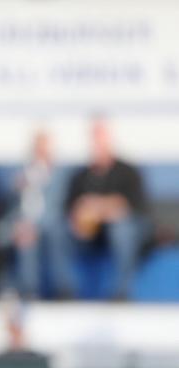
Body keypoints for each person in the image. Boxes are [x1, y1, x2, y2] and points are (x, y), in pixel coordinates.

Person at [58, 118, 148, 299]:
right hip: (91, 232)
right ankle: (66, 289)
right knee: (59, 229)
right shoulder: (81, 175)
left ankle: (121, 291)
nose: (97, 145)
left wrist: (99, 207)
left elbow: (129, 207)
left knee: (121, 230)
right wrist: (78, 217)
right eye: (94, 140)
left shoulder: (127, 171)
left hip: (126, 229)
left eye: (101, 139)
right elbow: (70, 207)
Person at [0, 129, 69, 298]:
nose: (41, 152)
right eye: (38, 147)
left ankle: (60, 288)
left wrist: (34, 225)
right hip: (20, 222)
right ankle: (24, 290)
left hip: (48, 223)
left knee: (37, 233)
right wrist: (16, 189)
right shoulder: (20, 172)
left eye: (44, 147)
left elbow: (60, 206)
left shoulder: (59, 174)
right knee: (5, 234)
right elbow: (7, 206)